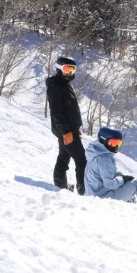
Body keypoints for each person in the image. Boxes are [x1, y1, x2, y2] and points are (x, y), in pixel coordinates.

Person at [84, 127, 137, 217]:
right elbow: (110, 184)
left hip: (92, 194)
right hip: (103, 198)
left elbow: (104, 176)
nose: (115, 146)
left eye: (118, 143)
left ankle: (136, 205)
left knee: (128, 183)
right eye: (112, 143)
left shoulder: (94, 153)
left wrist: (121, 177)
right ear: (103, 140)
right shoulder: (105, 159)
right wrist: (122, 179)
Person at [46, 56, 87, 194]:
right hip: (65, 130)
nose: (69, 72)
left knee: (64, 157)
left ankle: (60, 184)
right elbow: (56, 112)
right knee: (81, 160)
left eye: (72, 69)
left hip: (69, 129)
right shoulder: (55, 86)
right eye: (66, 69)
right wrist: (66, 131)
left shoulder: (64, 84)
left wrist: (75, 128)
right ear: (59, 69)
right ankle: (83, 189)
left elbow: (69, 109)